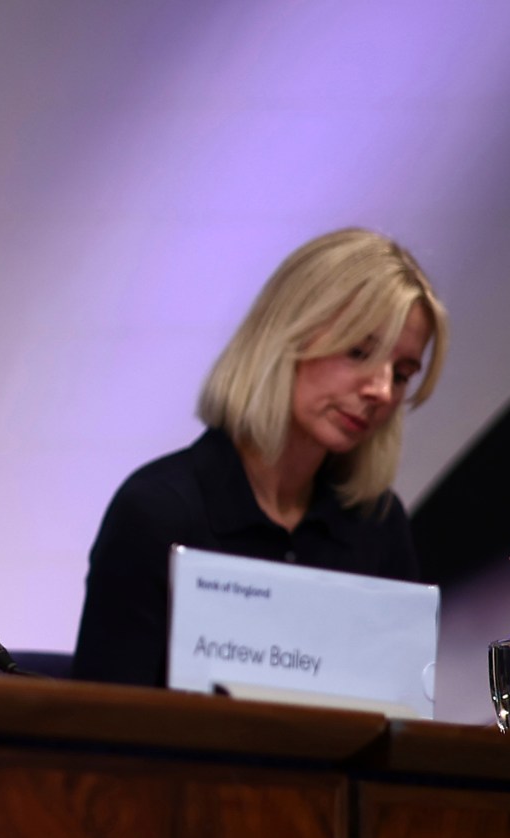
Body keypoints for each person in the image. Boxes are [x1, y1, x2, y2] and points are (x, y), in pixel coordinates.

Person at [71, 229, 447, 686]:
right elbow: (103, 730)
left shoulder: (379, 524)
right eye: (359, 352)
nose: (382, 391)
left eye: (403, 374)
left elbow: (398, 726)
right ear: (287, 334)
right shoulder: (157, 511)